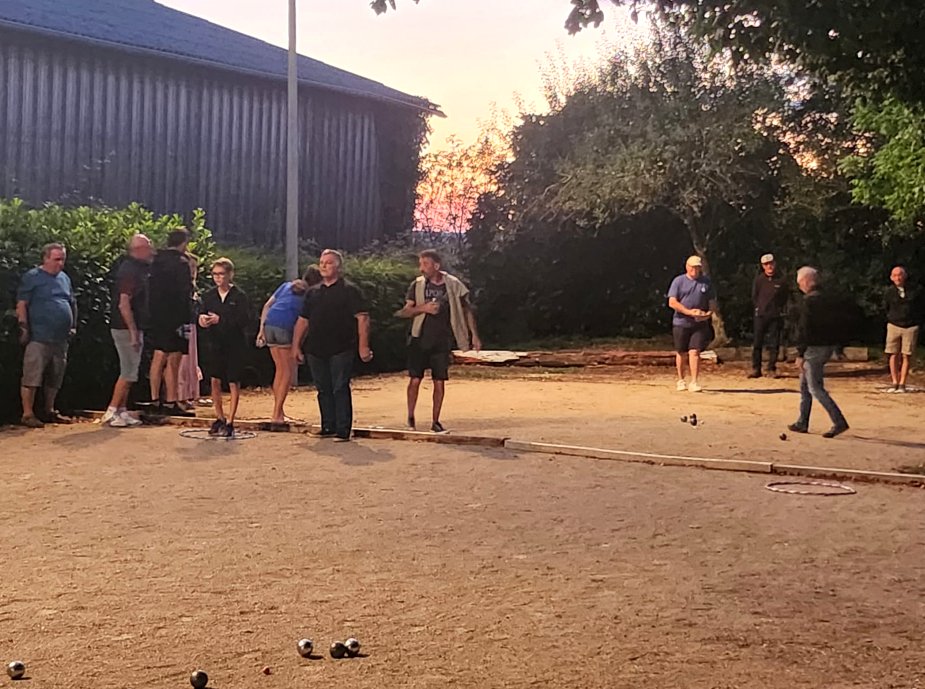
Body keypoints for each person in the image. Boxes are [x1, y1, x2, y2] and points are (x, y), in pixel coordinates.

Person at [291, 250, 373, 442]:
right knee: (323, 388)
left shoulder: (349, 290)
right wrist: (296, 346)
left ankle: (343, 429)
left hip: (341, 347)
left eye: (328, 262)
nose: (324, 266)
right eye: (321, 262)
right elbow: (303, 320)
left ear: (338, 267)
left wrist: (363, 346)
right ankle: (328, 426)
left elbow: (362, 318)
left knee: (339, 387)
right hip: (315, 348)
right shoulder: (313, 292)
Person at [397, 250, 482, 432]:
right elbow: (404, 312)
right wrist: (423, 308)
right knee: (415, 379)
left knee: (439, 381)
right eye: (420, 264)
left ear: (436, 266)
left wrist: (474, 335)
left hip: (442, 339)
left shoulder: (453, 284)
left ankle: (435, 421)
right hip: (419, 338)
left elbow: (467, 310)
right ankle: (410, 417)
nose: (422, 268)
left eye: (425, 264)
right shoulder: (417, 285)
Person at [16, 243, 78, 427]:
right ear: (45, 258)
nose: (60, 263)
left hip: (61, 338)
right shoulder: (32, 277)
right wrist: (24, 328)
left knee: (55, 376)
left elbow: (71, 302)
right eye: (56, 259)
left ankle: (49, 410)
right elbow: (22, 304)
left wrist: (73, 325)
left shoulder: (64, 278)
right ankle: (27, 414)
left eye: (63, 259)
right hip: (39, 336)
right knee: (32, 376)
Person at [788, 267, 850, 438]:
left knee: (815, 387)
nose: (799, 286)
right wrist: (838, 346)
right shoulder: (829, 299)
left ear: (806, 281)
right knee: (804, 385)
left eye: (800, 283)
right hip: (827, 346)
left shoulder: (808, 302)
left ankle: (839, 421)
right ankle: (802, 421)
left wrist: (800, 353)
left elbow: (804, 329)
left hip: (813, 348)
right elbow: (839, 323)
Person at [257, 265, 322, 426]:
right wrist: (297, 344)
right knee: (287, 372)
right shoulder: (310, 295)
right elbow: (304, 320)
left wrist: (261, 329)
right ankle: (277, 413)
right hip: (285, 328)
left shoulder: (286, 285)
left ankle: (278, 411)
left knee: (279, 370)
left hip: (270, 325)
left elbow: (267, 305)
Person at [102, 234, 153, 428]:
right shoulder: (129, 271)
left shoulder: (137, 269)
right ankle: (112, 410)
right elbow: (124, 304)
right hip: (125, 328)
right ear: (137, 250)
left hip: (132, 326)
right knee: (128, 371)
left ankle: (122, 411)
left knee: (132, 370)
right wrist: (133, 332)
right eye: (147, 247)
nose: (151, 250)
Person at [198, 258, 252, 438]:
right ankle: (219, 416)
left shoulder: (239, 296)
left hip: (234, 344)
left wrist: (221, 320)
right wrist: (202, 320)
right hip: (215, 343)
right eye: (215, 274)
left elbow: (244, 320)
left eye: (221, 274)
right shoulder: (209, 295)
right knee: (215, 379)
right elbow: (201, 313)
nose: (218, 278)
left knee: (233, 381)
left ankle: (231, 420)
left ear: (230, 275)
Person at [147, 228, 195, 416]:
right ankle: (171, 400)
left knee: (158, 356)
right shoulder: (181, 263)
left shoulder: (155, 261)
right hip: (176, 316)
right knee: (174, 359)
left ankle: (154, 399)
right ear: (184, 242)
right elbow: (184, 293)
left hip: (157, 316)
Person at [667, 256, 716, 392]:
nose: (695, 269)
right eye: (693, 267)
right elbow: (672, 302)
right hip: (681, 322)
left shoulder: (706, 282)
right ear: (687, 267)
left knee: (695, 351)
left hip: (699, 324)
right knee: (681, 352)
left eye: (698, 267)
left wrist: (707, 314)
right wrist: (689, 312)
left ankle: (694, 381)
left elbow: (712, 302)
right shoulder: (678, 281)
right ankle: (681, 379)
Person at [749, 253, 788, 379]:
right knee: (757, 343)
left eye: (771, 263)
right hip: (760, 315)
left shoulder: (781, 280)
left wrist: (779, 309)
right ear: (763, 266)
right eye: (766, 264)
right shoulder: (759, 280)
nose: (769, 266)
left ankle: (771, 368)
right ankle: (756, 368)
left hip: (775, 316)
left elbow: (784, 297)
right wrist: (758, 308)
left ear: (774, 264)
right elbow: (754, 296)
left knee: (774, 343)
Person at [884, 265, 922, 393]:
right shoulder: (889, 292)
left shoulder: (916, 290)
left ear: (904, 276)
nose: (897, 278)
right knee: (893, 353)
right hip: (894, 325)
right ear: (891, 278)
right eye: (895, 275)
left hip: (910, 326)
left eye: (900, 275)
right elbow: (886, 307)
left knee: (907, 355)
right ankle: (894, 382)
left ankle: (902, 383)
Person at [177, 253, 203, 411]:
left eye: (195, 267)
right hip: (183, 325)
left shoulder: (192, 287)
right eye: (190, 267)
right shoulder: (181, 286)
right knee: (182, 363)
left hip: (192, 325)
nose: (193, 271)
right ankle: (179, 396)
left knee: (190, 363)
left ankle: (187, 395)